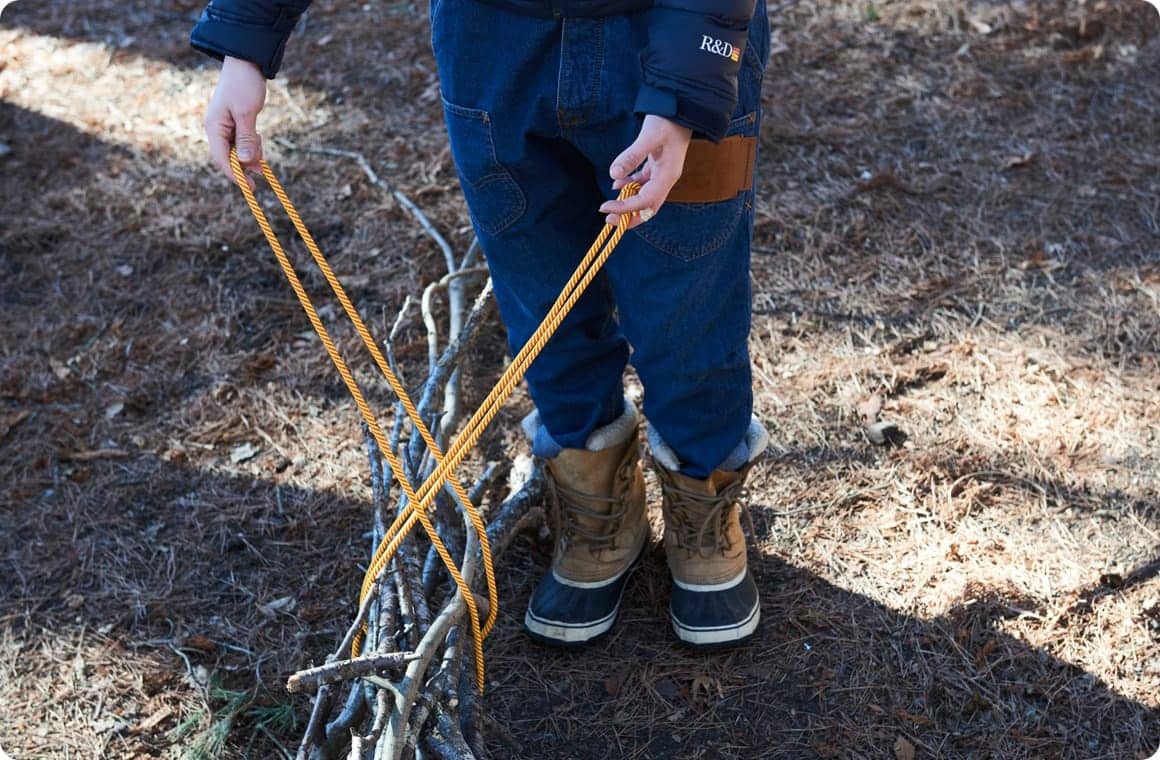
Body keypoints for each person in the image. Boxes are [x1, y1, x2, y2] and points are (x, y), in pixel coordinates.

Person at [192, 0, 771, 648]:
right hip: (491, 45)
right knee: (542, 307)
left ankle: (705, 502)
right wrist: (246, 44)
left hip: (674, 34)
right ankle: (596, 502)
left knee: (691, 314)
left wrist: (682, 90)